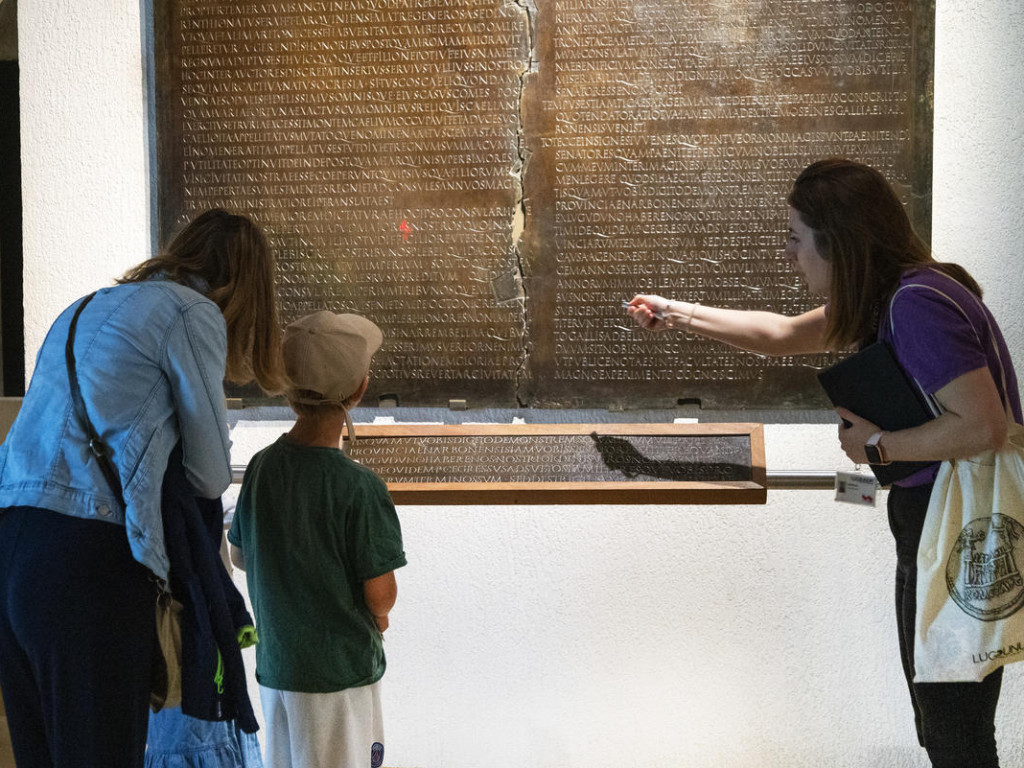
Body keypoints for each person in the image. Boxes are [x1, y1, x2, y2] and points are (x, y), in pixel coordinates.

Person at [628, 158, 1020, 768]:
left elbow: (983, 427)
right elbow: (780, 335)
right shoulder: (903, 292)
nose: (788, 253)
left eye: (795, 238)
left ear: (835, 243)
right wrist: (673, 311)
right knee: (948, 725)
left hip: (948, 529)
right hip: (942, 525)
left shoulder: (915, 304)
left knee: (955, 733)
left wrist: (879, 446)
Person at [0, 209, 285, 768]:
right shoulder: (191, 311)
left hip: (12, 544)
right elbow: (208, 471)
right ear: (242, 283)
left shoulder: (82, 307)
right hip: (88, 558)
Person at [228, 311, 406, 768]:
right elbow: (380, 593)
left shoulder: (262, 469)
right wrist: (380, 615)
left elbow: (240, 554)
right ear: (360, 389)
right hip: (340, 675)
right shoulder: (359, 486)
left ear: (287, 391)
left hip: (279, 669)